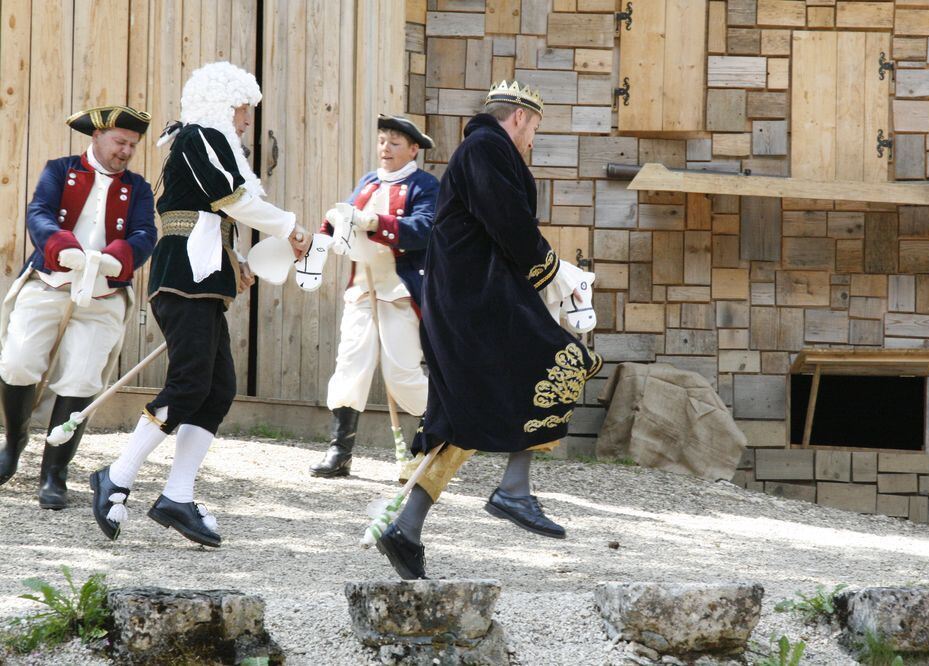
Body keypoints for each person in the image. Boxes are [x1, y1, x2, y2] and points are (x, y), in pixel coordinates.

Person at [375, 81, 602, 580]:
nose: (533, 141)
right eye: (535, 130)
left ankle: (406, 528)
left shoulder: (484, 149)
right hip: (473, 299)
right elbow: (510, 222)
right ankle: (513, 491)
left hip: (474, 295)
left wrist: (550, 273)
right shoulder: (485, 147)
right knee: (564, 360)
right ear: (519, 117)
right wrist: (555, 271)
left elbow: (503, 224)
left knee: (463, 416)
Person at [89, 61, 312, 548]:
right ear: (219, 104)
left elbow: (212, 219)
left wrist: (236, 263)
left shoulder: (208, 143)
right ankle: (117, 476)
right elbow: (231, 200)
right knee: (190, 383)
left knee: (217, 388)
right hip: (182, 278)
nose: (247, 121)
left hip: (204, 277)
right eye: (241, 109)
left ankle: (177, 495)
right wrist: (289, 225)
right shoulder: (197, 137)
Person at [0, 106, 156, 510]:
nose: (125, 152)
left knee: (83, 379)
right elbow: (39, 214)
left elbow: (145, 234)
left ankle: (54, 472)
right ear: (98, 136)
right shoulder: (59, 169)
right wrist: (61, 247)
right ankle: (15, 441)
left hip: (104, 292)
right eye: (120, 142)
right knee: (17, 363)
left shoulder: (138, 188)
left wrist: (115, 257)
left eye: (132, 146)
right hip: (50, 280)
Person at [310, 115, 438, 478]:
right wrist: (333, 222)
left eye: (395, 143)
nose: (386, 148)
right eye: (382, 141)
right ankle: (340, 451)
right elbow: (343, 219)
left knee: (401, 373)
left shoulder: (425, 185)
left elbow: (426, 229)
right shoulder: (367, 182)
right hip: (363, 288)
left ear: (414, 149)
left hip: (399, 291)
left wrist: (377, 224)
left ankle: (435, 440)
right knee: (350, 366)